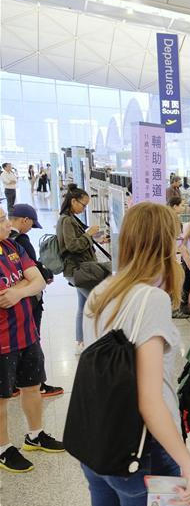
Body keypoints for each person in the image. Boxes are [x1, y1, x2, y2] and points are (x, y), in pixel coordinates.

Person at [82, 201, 190, 506]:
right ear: (165, 243)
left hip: (100, 444)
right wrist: (186, 462)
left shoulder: (102, 291)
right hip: (145, 452)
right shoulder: (151, 299)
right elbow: (149, 399)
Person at [0, 205, 64, 474]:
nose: (8, 223)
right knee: (2, 397)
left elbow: (38, 279)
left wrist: (18, 292)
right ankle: (3, 448)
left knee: (32, 386)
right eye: (3, 219)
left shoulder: (12, 247)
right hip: (3, 341)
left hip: (27, 334)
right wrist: (23, 289)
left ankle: (34, 435)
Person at [7, 204, 63, 397]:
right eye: (31, 224)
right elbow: (33, 274)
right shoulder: (19, 241)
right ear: (25, 220)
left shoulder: (7, 244)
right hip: (29, 302)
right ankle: (37, 384)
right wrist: (43, 274)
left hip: (12, 308)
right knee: (32, 340)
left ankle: (11, 383)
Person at [57, 187, 101, 353]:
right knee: (97, 305)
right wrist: (89, 235)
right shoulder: (67, 220)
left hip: (77, 270)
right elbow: (73, 245)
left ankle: (81, 342)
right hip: (78, 270)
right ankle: (94, 342)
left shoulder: (69, 219)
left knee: (83, 306)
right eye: (83, 205)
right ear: (73, 201)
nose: (84, 209)